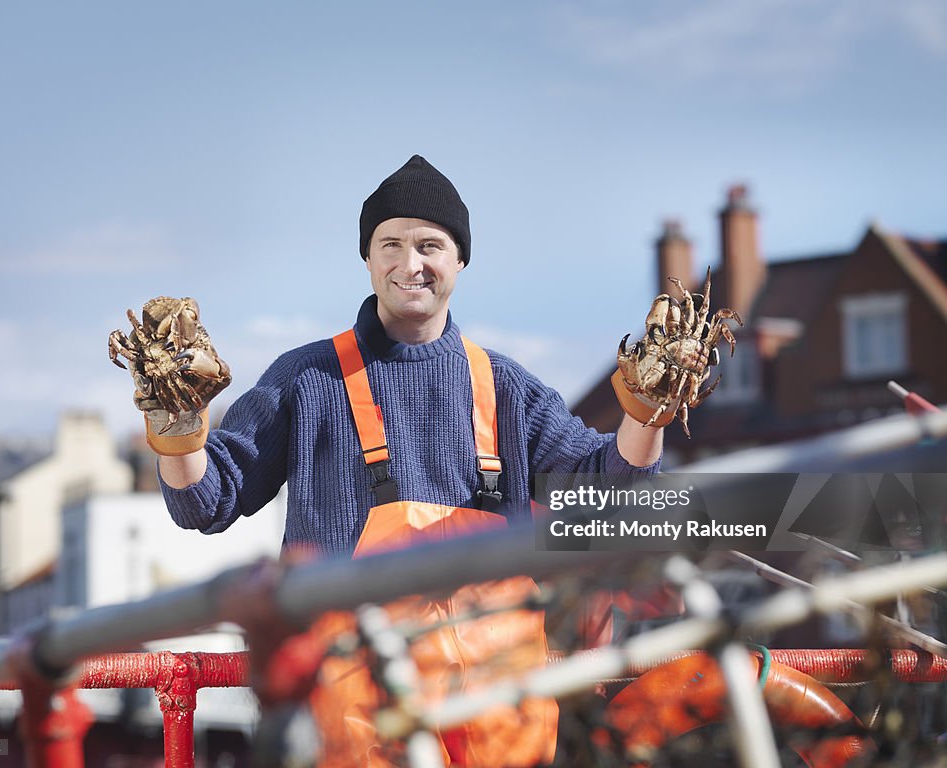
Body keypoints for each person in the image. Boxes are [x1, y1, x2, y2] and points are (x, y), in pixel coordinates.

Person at [127, 155, 688, 767]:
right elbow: (207, 501)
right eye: (389, 243)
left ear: (460, 260)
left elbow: (607, 492)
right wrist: (179, 436)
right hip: (351, 694)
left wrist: (648, 413)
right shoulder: (306, 379)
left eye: (431, 245)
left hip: (498, 698)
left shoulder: (508, 387)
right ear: (368, 259)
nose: (410, 263)